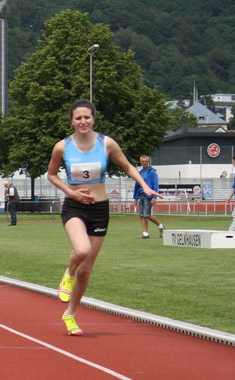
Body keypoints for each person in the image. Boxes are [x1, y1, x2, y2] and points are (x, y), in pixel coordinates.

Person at [46, 99, 161, 336]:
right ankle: (68, 274)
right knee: (82, 250)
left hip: (99, 209)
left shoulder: (106, 143)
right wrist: (70, 192)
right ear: (71, 121)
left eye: (87, 117)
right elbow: (51, 175)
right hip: (74, 207)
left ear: (93, 119)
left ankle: (70, 314)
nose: (83, 121)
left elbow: (128, 167)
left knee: (87, 270)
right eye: (78, 118)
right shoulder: (62, 147)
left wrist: (144, 186)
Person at [133, 155, 165, 239]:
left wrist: (154, 197)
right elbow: (137, 185)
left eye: (145, 161)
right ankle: (145, 233)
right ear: (140, 162)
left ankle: (160, 225)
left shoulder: (152, 172)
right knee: (141, 215)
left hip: (149, 195)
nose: (144, 163)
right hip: (141, 195)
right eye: (142, 161)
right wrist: (135, 198)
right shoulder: (140, 172)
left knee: (146, 214)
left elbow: (156, 185)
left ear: (148, 162)